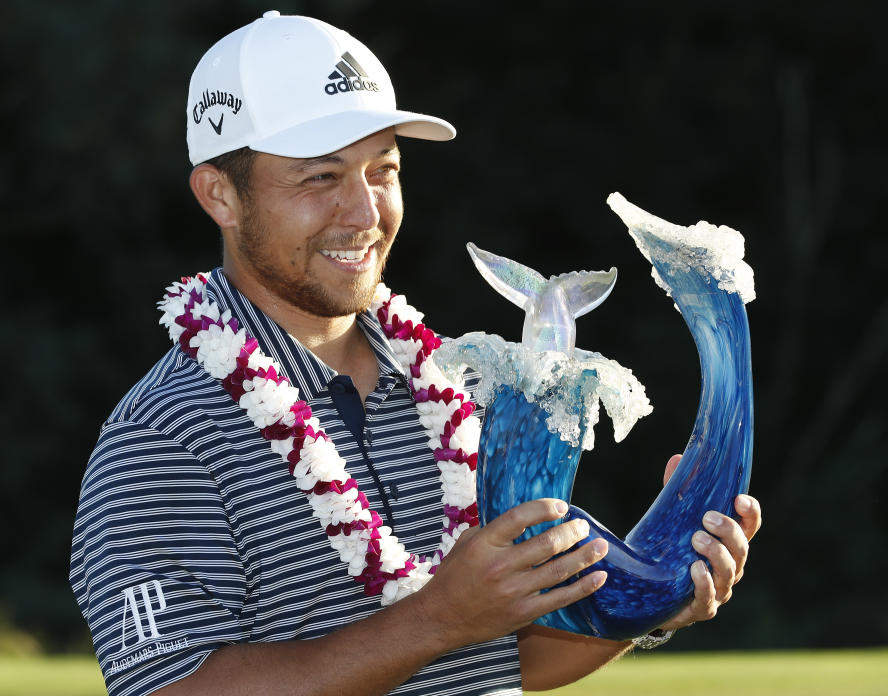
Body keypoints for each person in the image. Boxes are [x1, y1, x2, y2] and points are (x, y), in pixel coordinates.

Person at [70, 11, 762, 696]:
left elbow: (495, 661)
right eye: (320, 178)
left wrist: (661, 604)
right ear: (220, 194)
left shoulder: (447, 385)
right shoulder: (161, 436)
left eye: (383, 169)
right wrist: (436, 618)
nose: (366, 213)